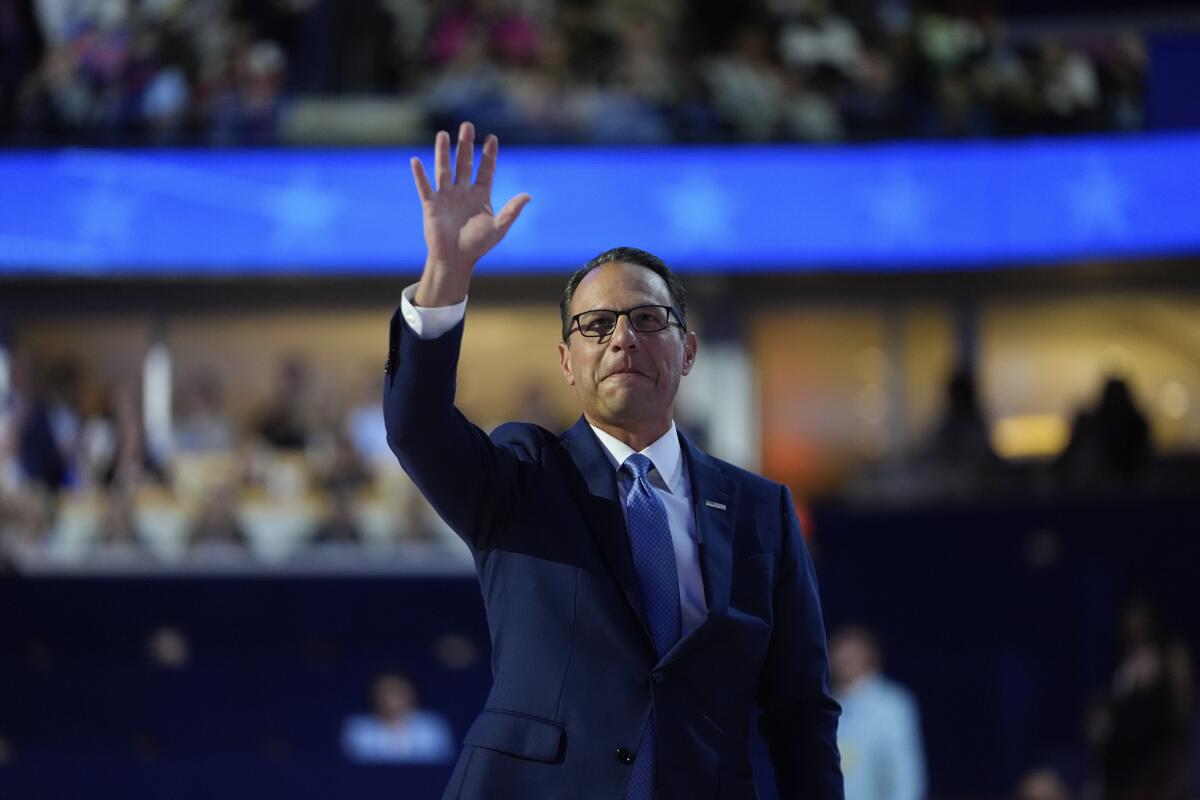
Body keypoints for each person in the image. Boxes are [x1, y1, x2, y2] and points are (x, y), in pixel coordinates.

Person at [383, 121, 842, 799]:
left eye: (648, 320)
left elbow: (800, 711)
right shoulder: (523, 476)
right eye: (597, 326)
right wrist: (445, 275)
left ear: (687, 351)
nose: (623, 338)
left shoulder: (760, 511)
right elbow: (417, 428)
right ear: (568, 363)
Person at [829, 626, 926, 800]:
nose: (843, 658)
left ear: (870, 657)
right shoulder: (827, 705)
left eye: (851, 654)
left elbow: (904, 776)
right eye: (838, 651)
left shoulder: (892, 705)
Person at [341, 672, 456, 764]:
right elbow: (356, 763)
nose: (391, 698)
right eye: (385, 692)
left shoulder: (432, 724)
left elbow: (440, 760)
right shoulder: (358, 726)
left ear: (412, 694)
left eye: (397, 692)